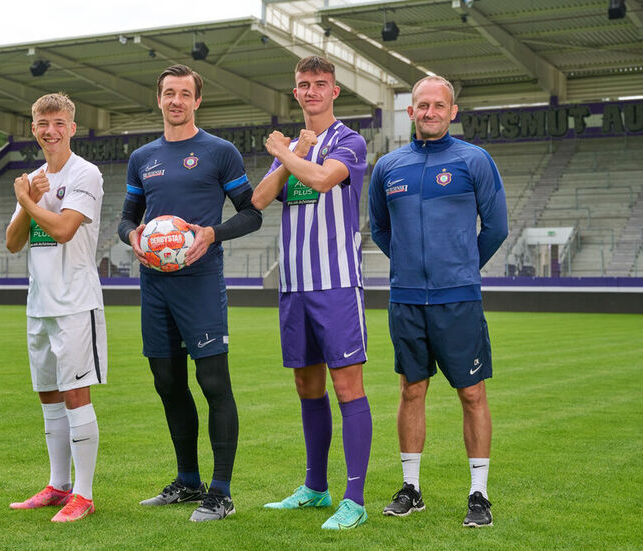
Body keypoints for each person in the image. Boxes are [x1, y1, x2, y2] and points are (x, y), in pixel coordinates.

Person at [117, 64, 262, 522]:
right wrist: (132, 238)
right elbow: (124, 220)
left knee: (213, 383)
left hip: (200, 284)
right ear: (158, 99)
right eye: (168, 93)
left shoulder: (219, 152)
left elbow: (252, 213)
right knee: (167, 384)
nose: (176, 100)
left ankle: (221, 492)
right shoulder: (142, 158)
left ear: (198, 101)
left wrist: (211, 235)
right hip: (155, 285)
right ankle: (187, 481)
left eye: (184, 93)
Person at [368, 75, 508, 527]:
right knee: (411, 390)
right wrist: (410, 265)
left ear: (452, 112)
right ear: (410, 111)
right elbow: (380, 230)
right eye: (421, 105)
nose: (429, 112)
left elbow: (497, 227)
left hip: (458, 299)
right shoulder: (388, 166)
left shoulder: (474, 160)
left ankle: (479, 494)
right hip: (406, 298)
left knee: (471, 393)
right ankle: (411, 488)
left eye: (437, 105)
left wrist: (461, 268)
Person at [251, 55, 371, 531]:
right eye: (304, 84)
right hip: (295, 285)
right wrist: (291, 153)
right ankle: (316, 489)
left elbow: (322, 179)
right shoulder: (297, 146)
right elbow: (259, 200)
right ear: (296, 93)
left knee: (348, 386)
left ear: (335, 91)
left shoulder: (348, 140)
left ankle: (354, 499)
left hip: (337, 283)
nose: (313, 91)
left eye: (321, 83)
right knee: (307, 386)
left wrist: (285, 152)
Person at [5, 92, 107, 523]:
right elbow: (13, 243)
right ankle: (57, 484)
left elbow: (65, 229)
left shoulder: (86, 173)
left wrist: (29, 202)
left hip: (75, 303)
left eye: (59, 122)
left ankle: (83, 495)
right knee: (48, 396)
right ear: (34, 128)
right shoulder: (33, 179)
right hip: (40, 303)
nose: (51, 130)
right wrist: (27, 201)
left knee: (75, 394)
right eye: (43, 123)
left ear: (72, 127)